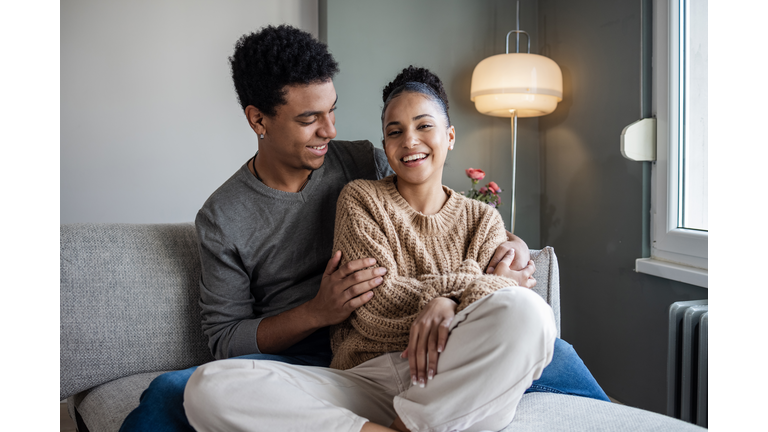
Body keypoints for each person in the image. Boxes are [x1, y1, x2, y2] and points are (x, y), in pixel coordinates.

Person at [120, 26, 606, 432]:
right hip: (313, 360)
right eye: (309, 119)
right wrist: (316, 312)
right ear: (258, 120)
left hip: (429, 341)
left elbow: (428, 198)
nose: (330, 131)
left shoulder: (358, 161)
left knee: (541, 333)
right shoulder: (223, 217)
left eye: (331, 110)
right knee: (182, 390)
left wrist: (512, 246)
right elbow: (225, 341)